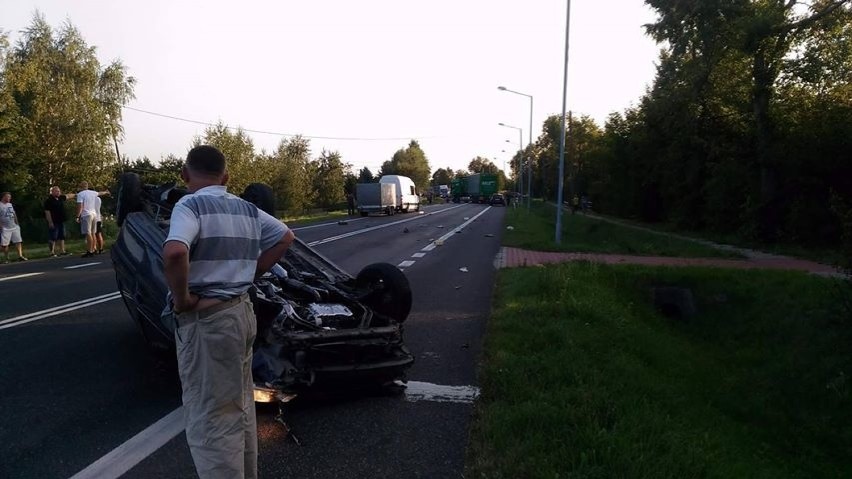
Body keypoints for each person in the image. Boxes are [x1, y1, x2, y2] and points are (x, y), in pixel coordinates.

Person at [163, 145, 294, 479]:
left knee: (212, 418)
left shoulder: (189, 205)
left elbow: (176, 252)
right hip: (241, 313)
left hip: (209, 323)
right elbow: (285, 236)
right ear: (226, 177)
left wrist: (182, 301)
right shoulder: (246, 209)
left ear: (184, 174)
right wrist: (248, 275)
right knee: (240, 407)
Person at [76, 182, 110, 258]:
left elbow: (80, 206)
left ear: (80, 187)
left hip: (86, 214)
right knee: (93, 233)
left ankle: (89, 250)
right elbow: (100, 193)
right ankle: (93, 249)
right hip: (94, 214)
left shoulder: (80, 194)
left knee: (88, 233)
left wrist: (77, 216)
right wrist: (106, 192)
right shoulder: (93, 193)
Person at [43, 186, 75, 256]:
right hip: (54, 221)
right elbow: (47, 212)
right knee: (53, 237)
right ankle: (51, 252)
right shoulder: (49, 201)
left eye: (59, 191)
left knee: (62, 236)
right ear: (52, 192)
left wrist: (76, 194)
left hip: (61, 220)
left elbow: (68, 196)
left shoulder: (60, 198)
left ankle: (62, 251)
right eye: (56, 191)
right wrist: (50, 222)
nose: (58, 192)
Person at [1, 192, 27, 263]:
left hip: (14, 226)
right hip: (5, 227)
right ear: (3, 197)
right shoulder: (0, 205)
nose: (9, 198)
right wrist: (1, 226)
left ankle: (20, 256)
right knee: (5, 244)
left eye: (10, 197)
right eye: (8, 197)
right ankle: (7, 258)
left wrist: (17, 223)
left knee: (18, 241)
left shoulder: (10, 204)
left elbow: (14, 213)